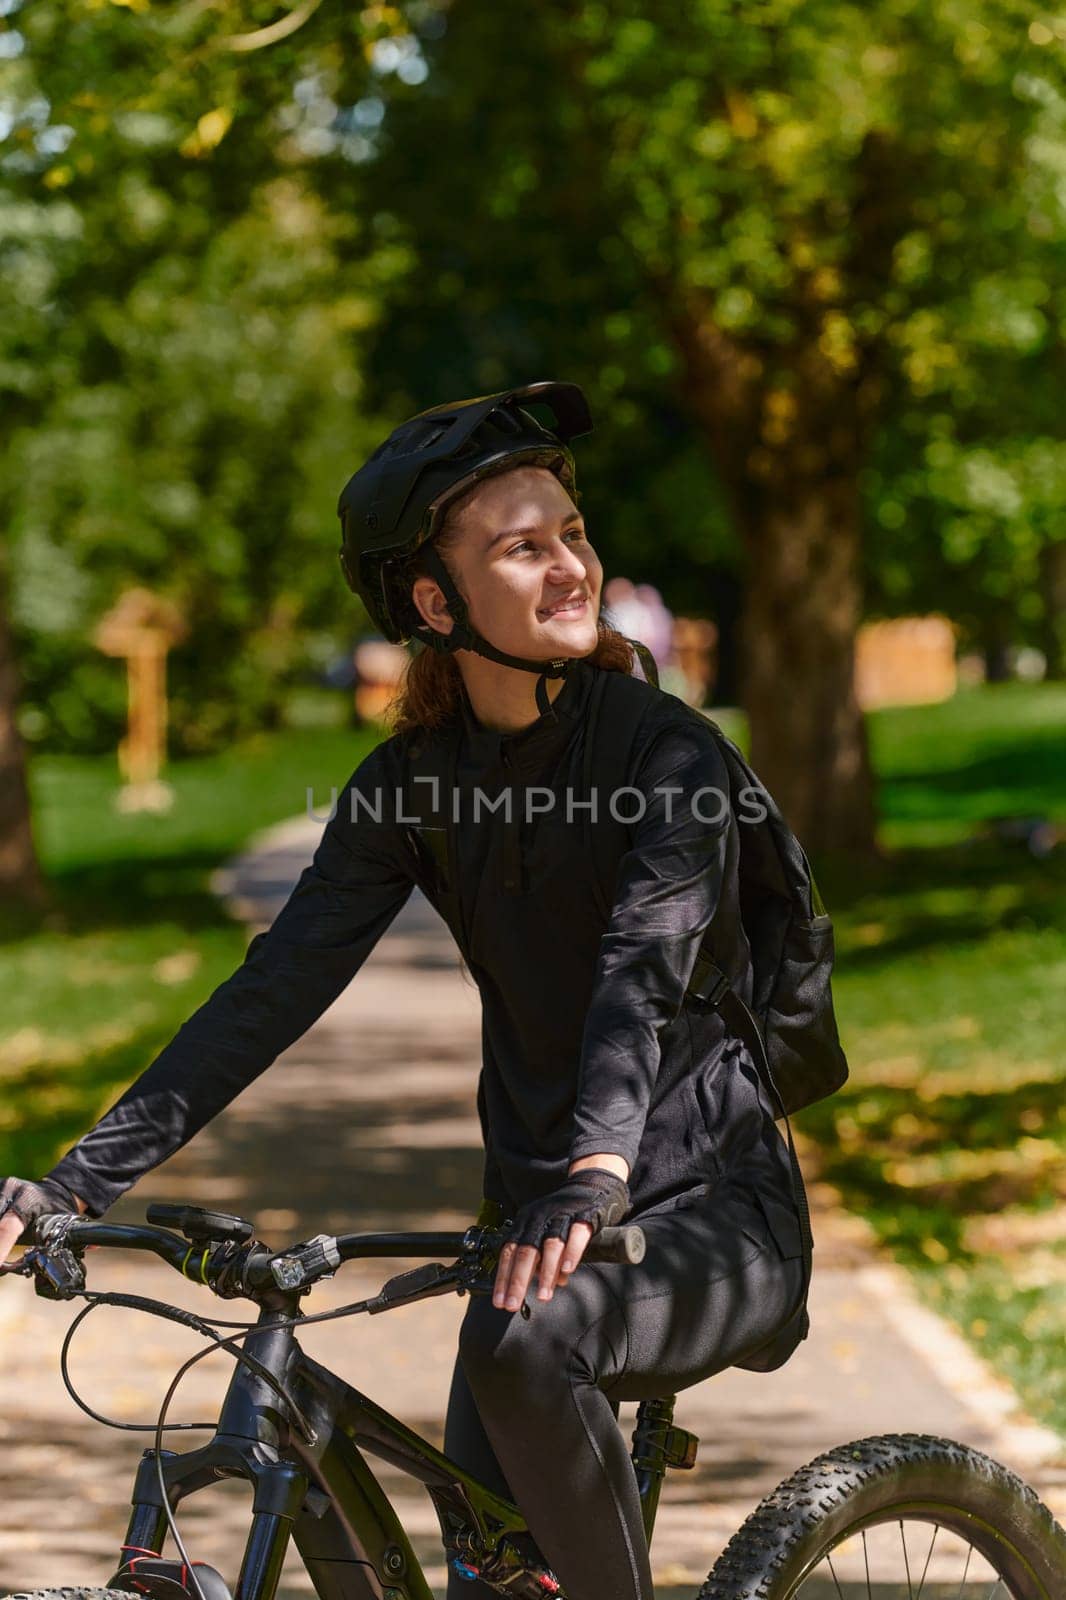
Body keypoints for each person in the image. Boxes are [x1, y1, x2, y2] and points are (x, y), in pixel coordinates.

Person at [0, 382, 808, 1600]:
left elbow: (639, 970)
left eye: (571, 536)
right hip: (535, 1232)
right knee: (489, 1553)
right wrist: (73, 1180)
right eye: (522, 548)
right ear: (437, 602)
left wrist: (596, 1167)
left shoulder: (667, 753)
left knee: (522, 1348)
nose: (569, 567)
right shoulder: (408, 786)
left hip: (707, 1214)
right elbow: (272, 988)